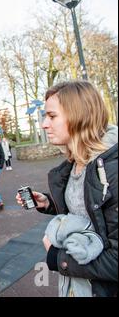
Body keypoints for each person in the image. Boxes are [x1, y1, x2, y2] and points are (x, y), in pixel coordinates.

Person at [16, 81, 118, 297]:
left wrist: (58, 258)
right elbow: (88, 210)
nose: (44, 124)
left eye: (52, 116)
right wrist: (48, 202)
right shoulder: (75, 163)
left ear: (78, 116)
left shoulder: (112, 171)